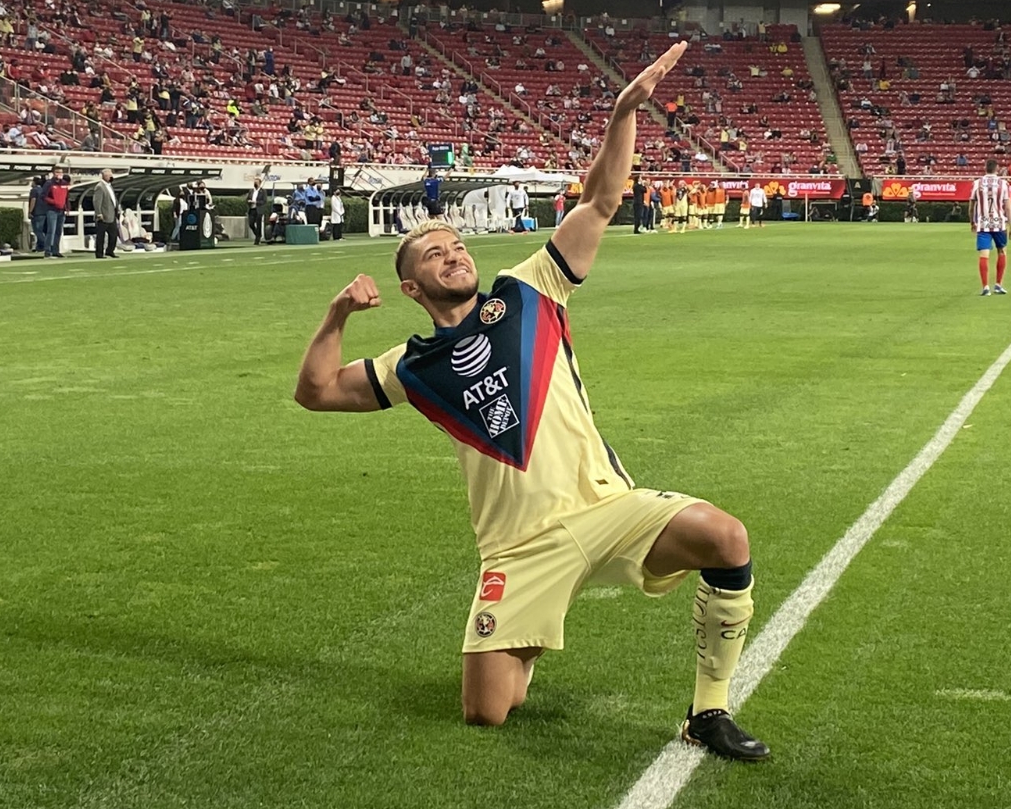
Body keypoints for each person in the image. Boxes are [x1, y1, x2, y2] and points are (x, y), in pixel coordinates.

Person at [294, 41, 769, 760]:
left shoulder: (530, 290)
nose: (454, 254)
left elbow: (603, 200)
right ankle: (530, 631)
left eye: (456, 246)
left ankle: (708, 712)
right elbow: (317, 392)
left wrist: (622, 112)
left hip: (606, 506)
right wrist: (334, 318)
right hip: (518, 547)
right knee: (489, 713)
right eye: (434, 255)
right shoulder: (411, 365)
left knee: (726, 538)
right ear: (413, 290)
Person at [970, 159, 1011, 296]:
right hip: (999, 223)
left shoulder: (977, 183)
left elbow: (971, 206)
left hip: (983, 223)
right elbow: (1008, 207)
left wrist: (972, 222)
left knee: (984, 254)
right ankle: (998, 285)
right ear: (997, 169)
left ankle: (985, 287)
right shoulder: (1003, 184)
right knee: (1002, 251)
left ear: (985, 169)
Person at [41, 167, 69, 257]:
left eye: (60, 172)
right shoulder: (49, 183)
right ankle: (48, 250)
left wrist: (67, 207)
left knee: (58, 231)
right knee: (51, 231)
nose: (59, 174)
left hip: (61, 210)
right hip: (52, 210)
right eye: (57, 172)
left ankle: (56, 250)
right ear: (53, 173)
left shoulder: (64, 184)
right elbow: (43, 196)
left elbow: (66, 197)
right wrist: (54, 202)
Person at [92, 168, 119, 259]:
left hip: (112, 215)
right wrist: (99, 213)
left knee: (114, 235)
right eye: (109, 175)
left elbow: (113, 200)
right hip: (103, 215)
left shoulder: (110, 186)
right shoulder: (100, 187)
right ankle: (99, 253)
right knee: (101, 236)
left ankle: (110, 251)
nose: (111, 177)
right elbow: (97, 201)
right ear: (104, 176)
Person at [27, 176, 49, 257]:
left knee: (37, 230)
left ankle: (45, 245)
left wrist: (30, 211)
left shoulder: (34, 190)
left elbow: (33, 200)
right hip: (44, 212)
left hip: (37, 213)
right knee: (42, 230)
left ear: (34, 182)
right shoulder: (43, 190)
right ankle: (39, 247)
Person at [248, 177, 266, 245]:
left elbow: (264, 201)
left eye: (257, 182)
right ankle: (258, 235)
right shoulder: (251, 191)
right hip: (252, 209)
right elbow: (248, 198)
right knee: (251, 224)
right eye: (254, 182)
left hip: (258, 210)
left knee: (258, 224)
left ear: (260, 183)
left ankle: (257, 239)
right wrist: (249, 201)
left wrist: (256, 202)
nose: (255, 184)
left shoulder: (262, 191)